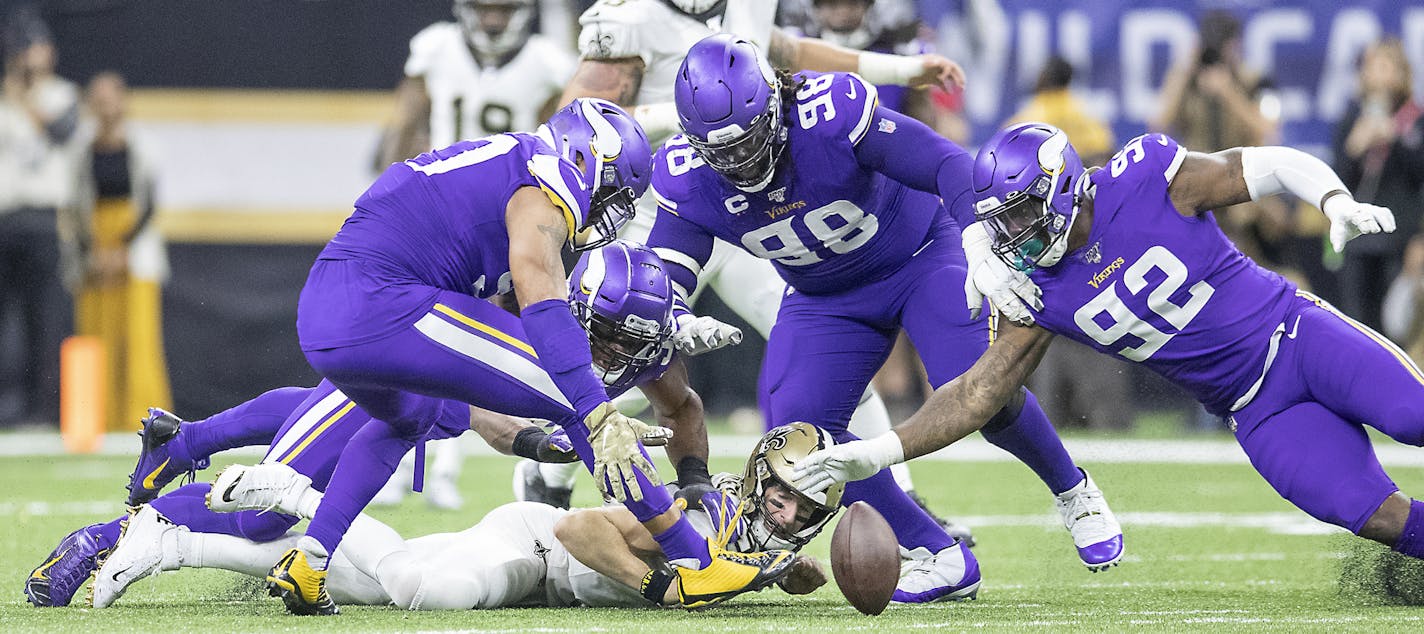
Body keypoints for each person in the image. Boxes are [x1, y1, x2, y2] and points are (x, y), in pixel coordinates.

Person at [793, 122, 1424, 564]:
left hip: (1298, 336)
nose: (1016, 235)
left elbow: (1263, 166)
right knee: (1373, 514)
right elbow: (977, 395)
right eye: (1002, 225)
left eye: (1021, 214)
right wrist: (877, 453)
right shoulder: (1035, 288)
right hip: (1257, 410)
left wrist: (1333, 198)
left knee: (1413, 414)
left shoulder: (1148, 177)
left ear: (1062, 183)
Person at [648, 35, 1125, 603]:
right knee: (798, 441)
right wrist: (673, 313)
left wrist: (976, 242)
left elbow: (949, 166)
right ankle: (940, 554)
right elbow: (666, 267)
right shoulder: (685, 175)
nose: (738, 162)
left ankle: (1073, 490)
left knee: (975, 383)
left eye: (747, 141)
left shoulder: (830, 114)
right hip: (825, 298)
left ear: (773, 103)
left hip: (920, 257)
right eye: (719, 152)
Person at [526, 0, 971, 543]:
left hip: (758, 208)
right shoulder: (631, 16)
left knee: (836, 361)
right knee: (642, 363)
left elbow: (788, 55)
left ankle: (901, 502)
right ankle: (548, 469)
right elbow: (572, 124)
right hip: (666, 214)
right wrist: (710, 125)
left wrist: (898, 71)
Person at [55, 423, 840, 611]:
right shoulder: (701, 511)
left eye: (802, 507)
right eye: (780, 492)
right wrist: (660, 584)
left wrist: (784, 578)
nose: (784, 510)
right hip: (534, 544)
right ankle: (291, 495)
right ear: (757, 475)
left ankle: (174, 544)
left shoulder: (752, 538)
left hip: (546, 578)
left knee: (360, 585)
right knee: (426, 595)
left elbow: (737, 569)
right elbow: (578, 530)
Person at [24, 381, 573, 608]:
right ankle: (109, 536)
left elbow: (492, 420)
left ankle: (186, 440)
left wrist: (561, 444)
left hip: (398, 383)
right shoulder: (513, 282)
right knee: (262, 517)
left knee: (321, 424)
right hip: (387, 373)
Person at [374, 0, 578, 513]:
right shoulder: (437, 47)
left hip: (499, 219)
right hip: (435, 211)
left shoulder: (547, 62)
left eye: (502, 8)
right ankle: (401, 462)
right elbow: (404, 124)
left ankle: (444, 465)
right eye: (484, 7)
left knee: (468, 347)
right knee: (412, 338)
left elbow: (556, 145)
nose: (491, 19)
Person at [74, 71, 173, 431]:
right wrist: (93, 250)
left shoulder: (142, 145)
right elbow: (77, 204)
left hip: (133, 246)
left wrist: (121, 248)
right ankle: (96, 417)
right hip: (96, 249)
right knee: (96, 335)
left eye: (110, 97)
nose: (105, 106)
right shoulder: (81, 148)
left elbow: (149, 204)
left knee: (139, 339)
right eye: (96, 99)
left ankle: (144, 418)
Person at [0, 6, 84, 427]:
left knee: (42, 318)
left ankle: (41, 409)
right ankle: (5, 407)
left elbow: (61, 133)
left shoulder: (61, 94)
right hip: (4, 218)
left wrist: (25, 94)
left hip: (42, 220)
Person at [1332, 38, 1424, 332]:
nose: (1379, 74)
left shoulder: (1414, 121)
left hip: (1400, 237)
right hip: (1359, 238)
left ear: (1401, 72)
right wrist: (1355, 148)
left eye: (1387, 66)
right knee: (1358, 322)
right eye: (1373, 66)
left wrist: (1395, 139)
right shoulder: (1352, 116)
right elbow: (1337, 177)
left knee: (1397, 324)